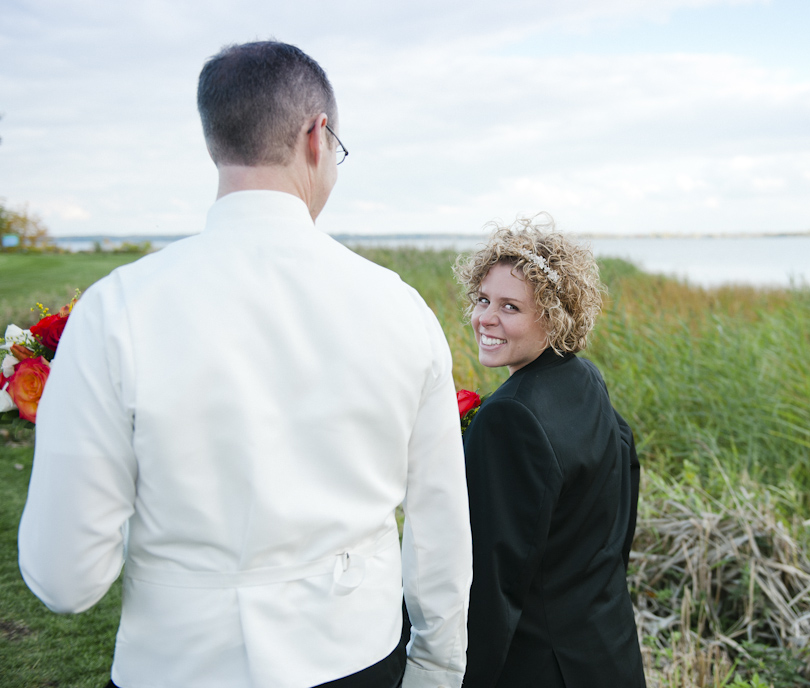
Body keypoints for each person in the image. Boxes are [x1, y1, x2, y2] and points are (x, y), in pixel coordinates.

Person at [18, 41, 472, 688]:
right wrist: (437, 667)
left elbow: (66, 579)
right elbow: (439, 525)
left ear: (214, 143)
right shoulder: (399, 308)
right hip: (359, 658)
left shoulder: (116, 310)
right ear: (319, 136)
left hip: (177, 666)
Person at [454, 216, 646, 688]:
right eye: (483, 300)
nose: (486, 319)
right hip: (607, 648)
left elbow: (491, 583)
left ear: (553, 315)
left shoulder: (510, 418)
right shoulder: (586, 379)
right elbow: (620, 512)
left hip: (543, 664)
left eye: (511, 307)